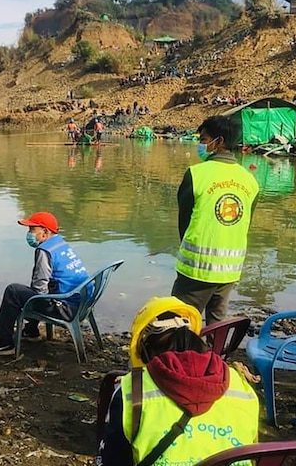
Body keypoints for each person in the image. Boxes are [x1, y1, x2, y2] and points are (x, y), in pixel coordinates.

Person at [97, 297, 259, 466]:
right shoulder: (240, 384)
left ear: (144, 350)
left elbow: (112, 459)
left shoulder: (132, 390)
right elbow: (251, 449)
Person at [173, 116, 259, 325]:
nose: (201, 145)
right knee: (217, 323)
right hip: (230, 269)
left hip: (197, 269)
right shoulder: (250, 180)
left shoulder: (196, 174)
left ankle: (182, 358)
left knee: (180, 323)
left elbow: (184, 220)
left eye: (204, 139)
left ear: (218, 141)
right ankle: (215, 356)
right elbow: (245, 223)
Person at [0, 212, 89, 357]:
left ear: (45, 232)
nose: (29, 234)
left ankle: (4, 343)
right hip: (81, 303)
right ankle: (31, 330)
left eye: (32, 230)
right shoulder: (60, 243)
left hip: (66, 309)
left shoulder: (44, 250)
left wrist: (26, 301)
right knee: (32, 291)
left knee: (13, 291)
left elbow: (39, 289)